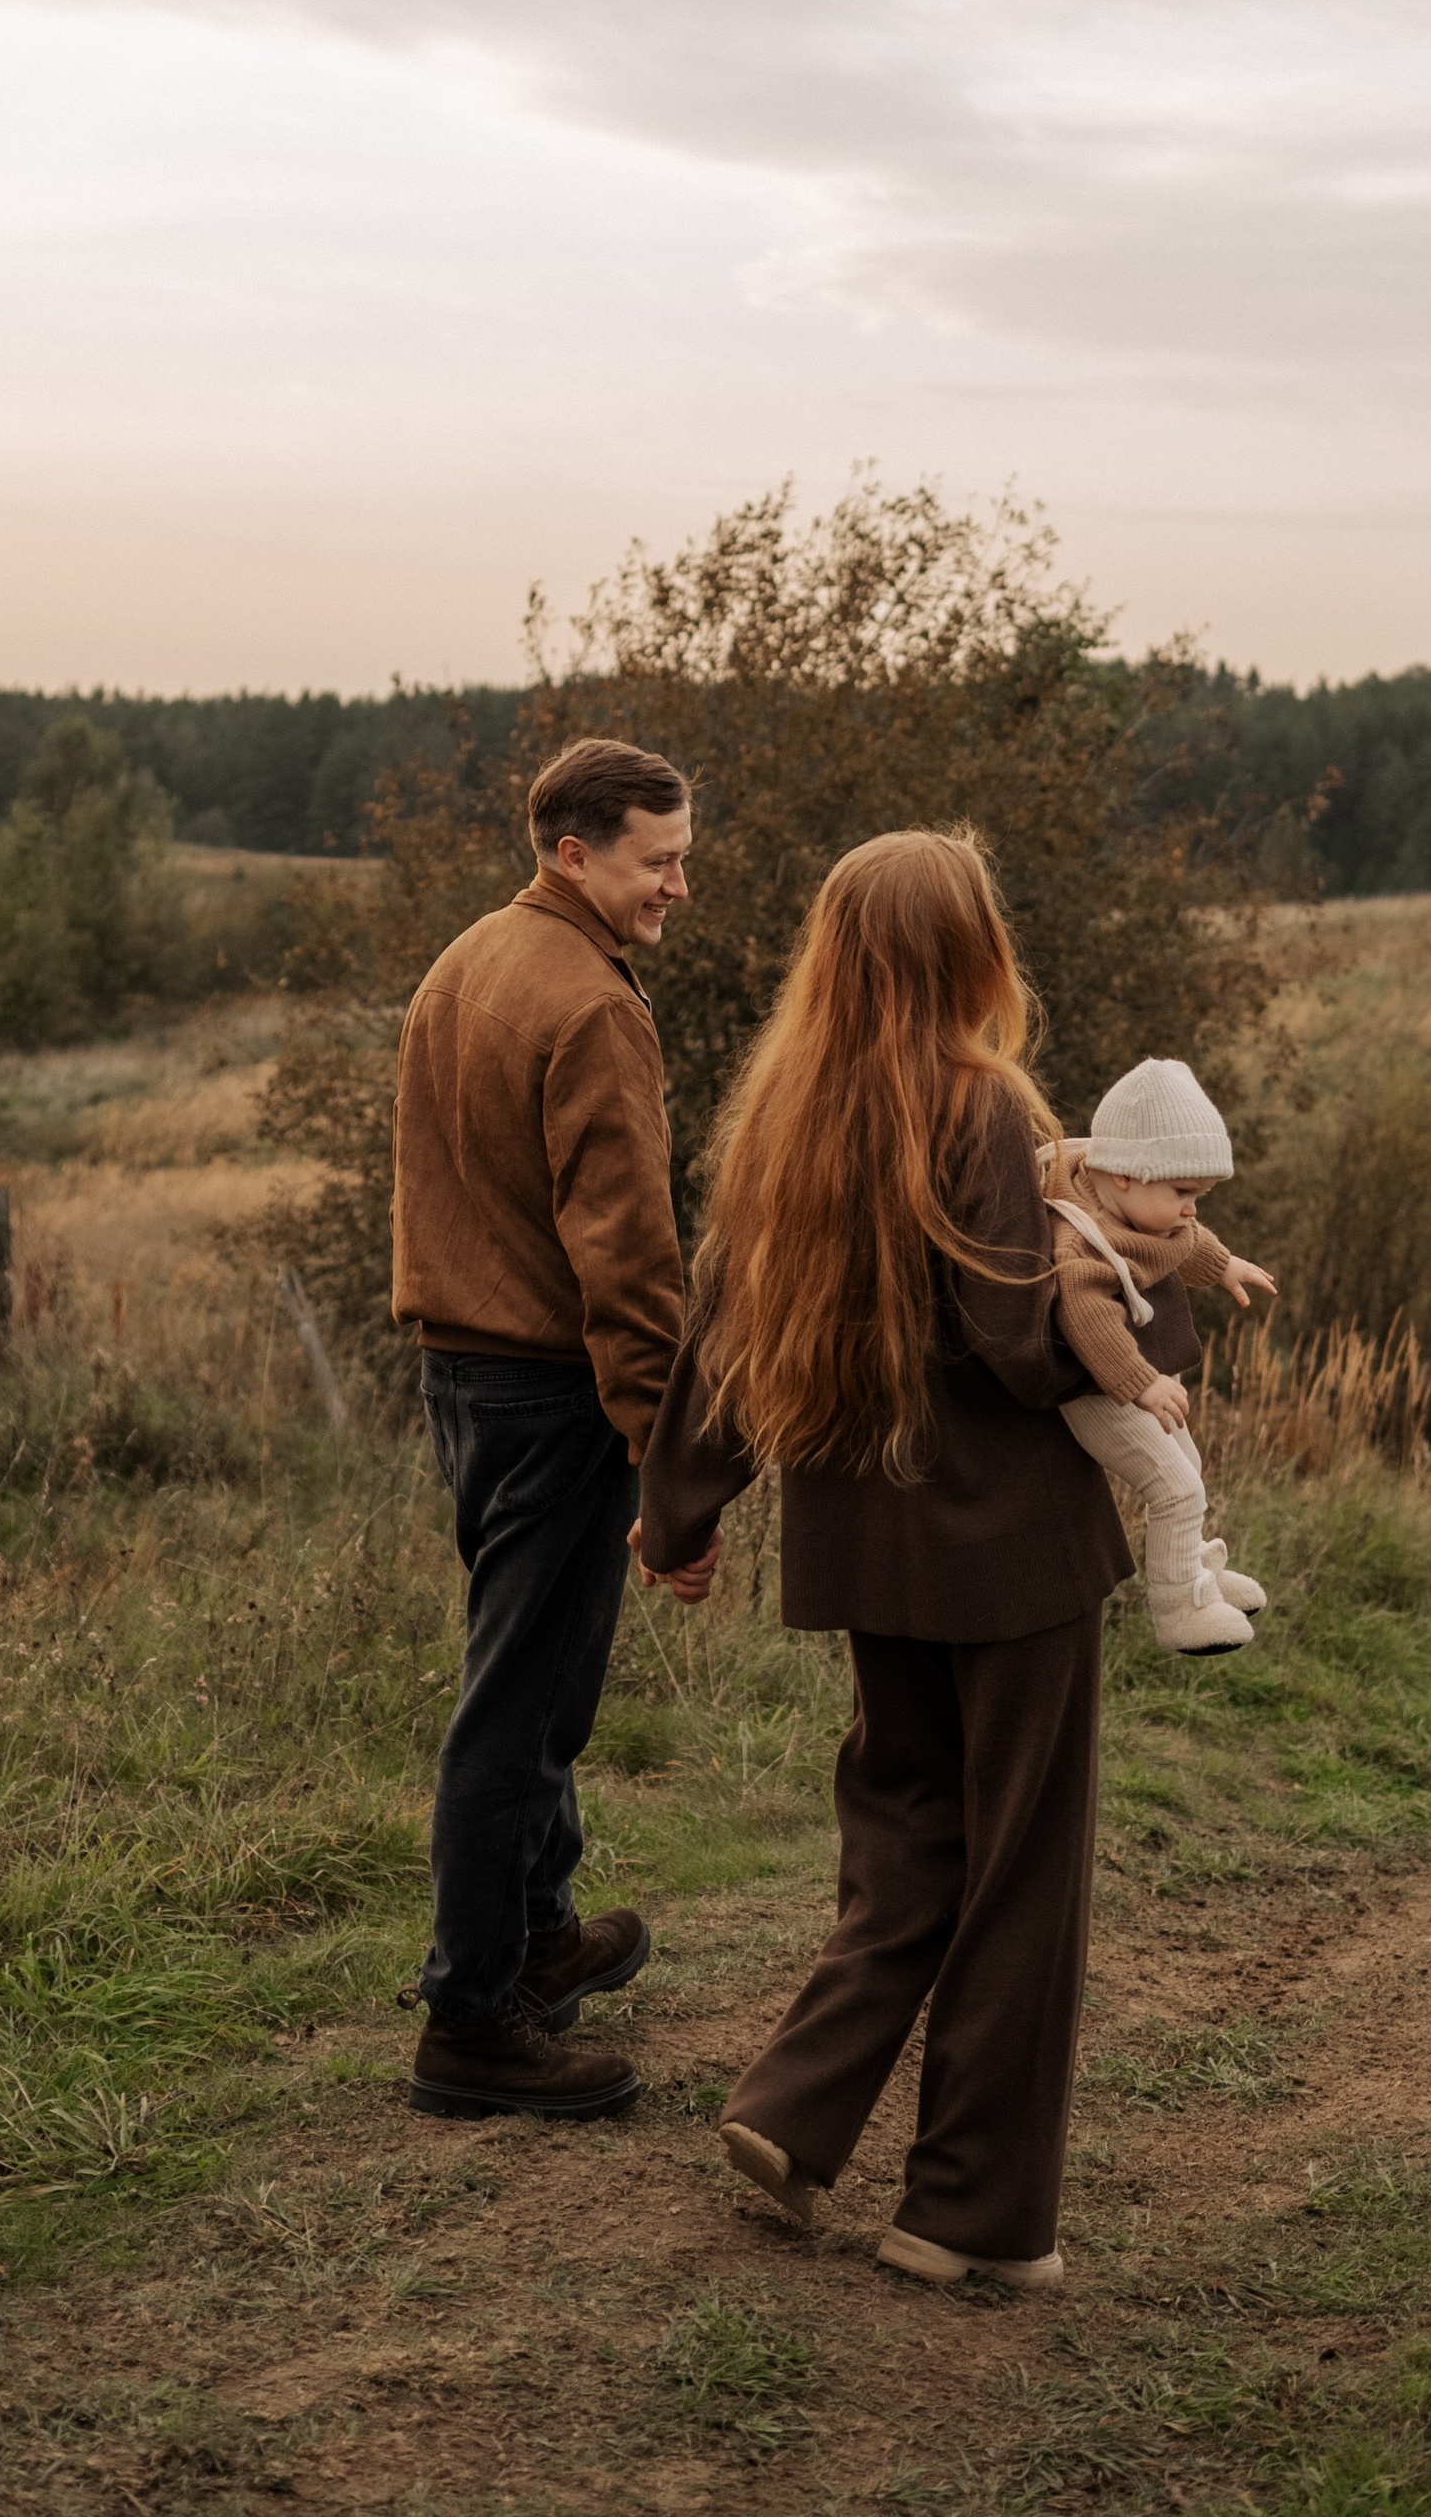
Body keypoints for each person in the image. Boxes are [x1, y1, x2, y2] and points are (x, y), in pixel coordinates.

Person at [637, 829, 1126, 2290]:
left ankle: (791, 2113)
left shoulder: (786, 1107)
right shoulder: (979, 1106)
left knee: (909, 1839)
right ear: (972, 947)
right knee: (1021, 1872)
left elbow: (723, 1335)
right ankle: (965, 2219)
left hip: (866, 1550)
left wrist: (678, 1512)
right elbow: (1019, 1345)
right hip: (1010, 1556)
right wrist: (1146, 1320)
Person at [391, 732, 713, 2122]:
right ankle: (471, 2019)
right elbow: (630, 1257)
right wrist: (666, 1454)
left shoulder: (467, 960)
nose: (679, 886)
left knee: (537, 1683)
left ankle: (537, 1940)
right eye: (660, 860)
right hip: (550, 1385)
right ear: (574, 853)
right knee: (521, 1704)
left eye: (683, 858)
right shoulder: (589, 1005)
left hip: (465, 1368)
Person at [1044, 1058, 1279, 1656]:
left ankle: (1195, 1568)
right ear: (1123, 1174)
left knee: (1187, 1464)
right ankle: (1180, 1609)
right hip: (1101, 1392)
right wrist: (1140, 1383)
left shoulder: (1137, 1205)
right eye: (1183, 1192)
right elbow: (1084, 1313)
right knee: (1172, 1486)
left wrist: (1225, 1266)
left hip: (1133, 1377)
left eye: (1198, 1194)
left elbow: (1183, 1241)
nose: (1192, 1208)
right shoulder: (1079, 1236)